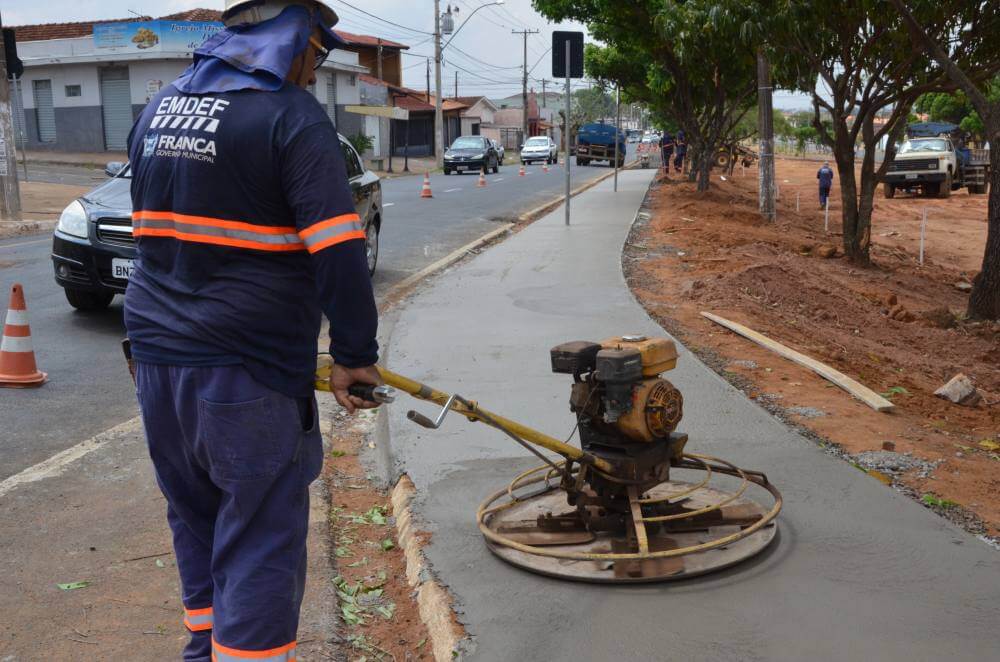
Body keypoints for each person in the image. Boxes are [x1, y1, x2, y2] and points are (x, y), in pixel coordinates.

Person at [124, 1, 381, 660]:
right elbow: (338, 248)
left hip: (156, 363)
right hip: (249, 369)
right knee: (260, 533)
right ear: (296, 47)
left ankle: (202, 649)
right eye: (316, 59)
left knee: (196, 517)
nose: (313, 74)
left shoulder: (158, 110)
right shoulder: (290, 118)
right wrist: (354, 355)